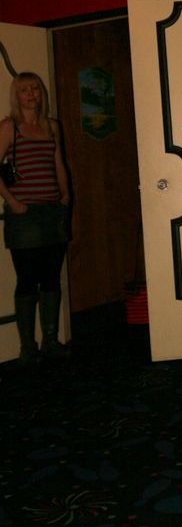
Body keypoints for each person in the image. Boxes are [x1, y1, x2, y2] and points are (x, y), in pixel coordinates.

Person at [0, 72, 71, 363]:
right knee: (27, 278)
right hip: (24, 215)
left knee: (51, 277)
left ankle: (51, 341)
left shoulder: (52, 126)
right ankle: (28, 347)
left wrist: (66, 196)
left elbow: (58, 162)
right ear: (16, 96)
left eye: (35, 88)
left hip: (53, 211)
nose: (31, 94)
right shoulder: (9, 127)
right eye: (24, 90)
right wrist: (13, 202)